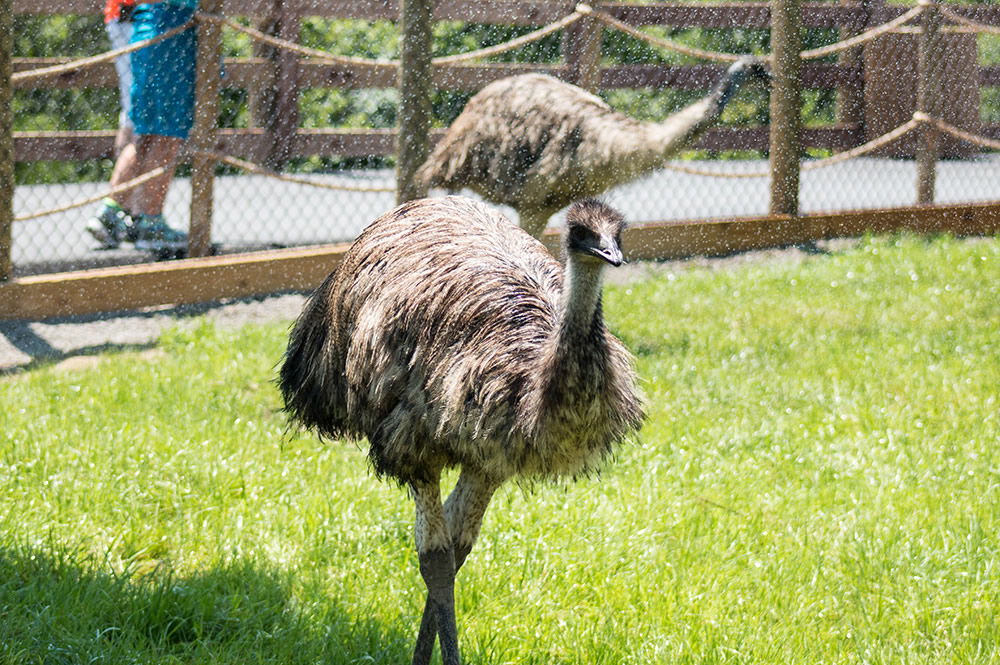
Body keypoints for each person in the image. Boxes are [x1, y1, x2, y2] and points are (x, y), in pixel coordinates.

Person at [87, 0, 196, 254]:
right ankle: (151, 223)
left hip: (146, 30)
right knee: (167, 135)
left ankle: (111, 211)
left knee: (144, 132)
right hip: (170, 32)